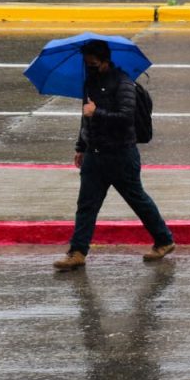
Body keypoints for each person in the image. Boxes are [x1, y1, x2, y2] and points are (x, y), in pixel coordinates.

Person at [53, 39, 175, 271]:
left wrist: (96, 112)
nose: (90, 67)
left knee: (137, 199)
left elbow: (125, 117)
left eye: (94, 64)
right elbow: (84, 119)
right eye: (87, 64)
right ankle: (77, 252)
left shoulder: (124, 83)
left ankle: (164, 240)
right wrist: (81, 146)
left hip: (121, 155)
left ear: (106, 61)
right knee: (86, 206)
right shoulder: (89, 82)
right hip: (94, 155)